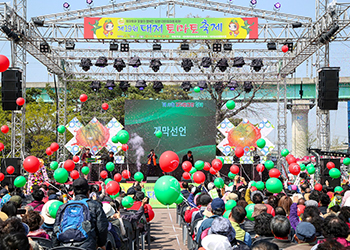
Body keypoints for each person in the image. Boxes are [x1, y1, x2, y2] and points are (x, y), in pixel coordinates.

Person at [52, 178, 109, 250]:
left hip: (64, 245)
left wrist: (56, 247)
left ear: (73, 192)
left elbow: (56, 229)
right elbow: (102, 228)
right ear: (88, 192)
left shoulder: (63, 207)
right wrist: (101, 244)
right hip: (86, 245)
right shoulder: (95, 205)